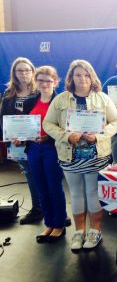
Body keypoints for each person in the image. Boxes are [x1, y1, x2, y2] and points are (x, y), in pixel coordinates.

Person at [43, 60, 117, 252]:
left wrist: (99, 136)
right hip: (70, 157)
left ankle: (95, 230)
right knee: (77, 195)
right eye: (78, 75)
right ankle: (79, 232)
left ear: (92, 76)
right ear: (71, 77)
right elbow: (48, 124)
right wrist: (66, 136)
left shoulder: (102, 98)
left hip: (97, 157)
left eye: (86, 75)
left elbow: (116, 122)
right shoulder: (60, 99)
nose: (83, 79)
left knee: (93, 194)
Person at [23, 66, 67, 243]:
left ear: (56, 82)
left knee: (54, 186)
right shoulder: (30, 102)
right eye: (40, 80)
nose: (44, 83)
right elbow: (25, 125)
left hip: (53, 148)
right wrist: (20, 137)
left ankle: (59, 224)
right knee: (41, 186)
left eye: (48, 80)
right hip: (33, 149)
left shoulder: (61, 101)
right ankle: (49, 223)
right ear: (36, 81)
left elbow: (65, 127)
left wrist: (47, 137)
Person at [0, 57, 43, 225]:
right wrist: (12, 137)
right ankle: (37, 209)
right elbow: (3, 119)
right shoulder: (8, 95)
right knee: (30, 174)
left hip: (38, 141)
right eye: (20, 70)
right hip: (17, 142)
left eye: (27, 70)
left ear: (33, 72)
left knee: (47, 175)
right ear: (14, 74)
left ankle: (54, 209)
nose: (24, 73)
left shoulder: (40, 91)